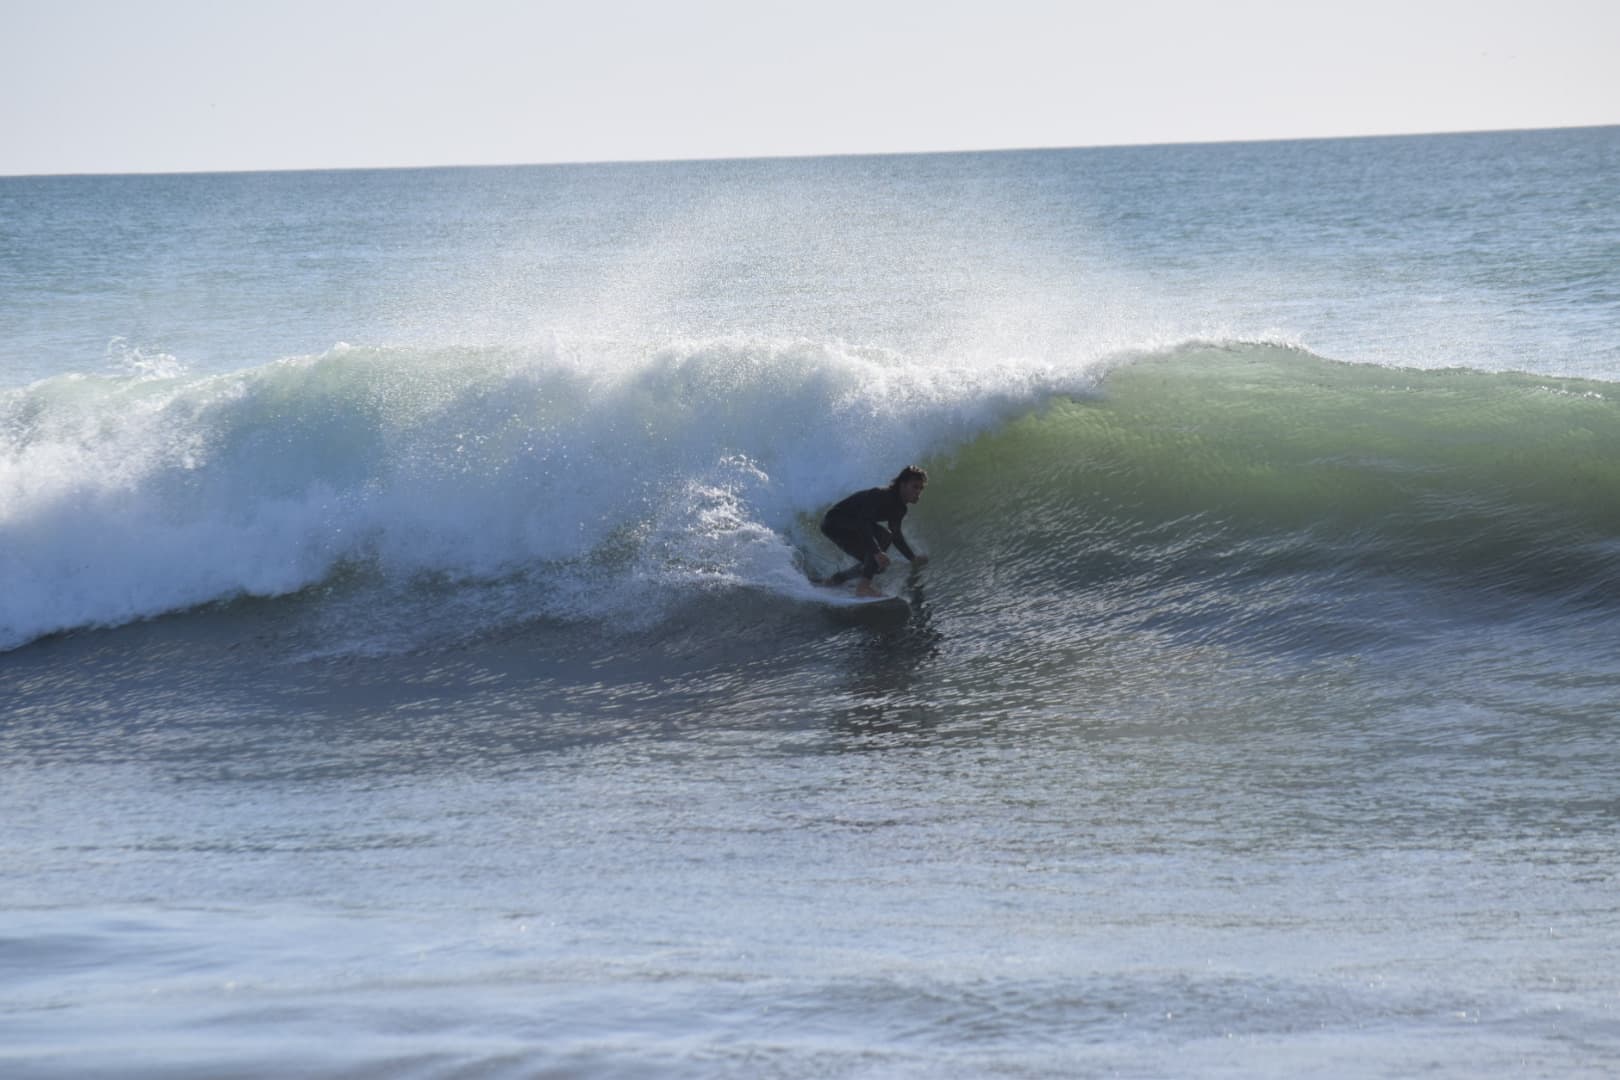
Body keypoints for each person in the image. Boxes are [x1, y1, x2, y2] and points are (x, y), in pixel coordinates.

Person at [819, 465, 929, 596]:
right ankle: (863, 588)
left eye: (921, 488)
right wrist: (877, 552)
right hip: (834, 520)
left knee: (875, 565)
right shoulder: (882, 495)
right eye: (915, 487)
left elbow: (896, 535)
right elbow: (862, 522)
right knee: (881, 545)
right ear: (902, 484)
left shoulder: (900, 508)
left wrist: (912, 558)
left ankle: (835, 580)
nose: (918, 492)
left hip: (849, 525)